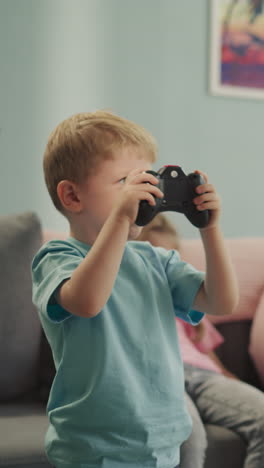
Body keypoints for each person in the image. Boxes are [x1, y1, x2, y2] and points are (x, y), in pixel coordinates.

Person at [31, 110, 239, 468]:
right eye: (126, 181)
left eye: (147, 179)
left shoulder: (155, 260)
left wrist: (210, 230)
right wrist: (121, 219)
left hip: (163, 441)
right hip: (92, 448)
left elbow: (222, 301)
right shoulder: (57, 258)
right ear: (71, 196)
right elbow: (88, 301)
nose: (146, 193)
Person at [137, 213, 264, 468]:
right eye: (154, 259)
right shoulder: (128, 300)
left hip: (204, 377)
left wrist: (232, 380)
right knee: (186, 435)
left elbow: (209, 356)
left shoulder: (188, 303)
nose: (164, 268)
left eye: (170, 258)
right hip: (160, 379)